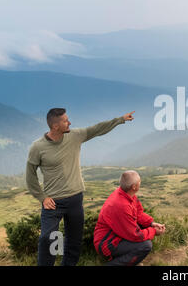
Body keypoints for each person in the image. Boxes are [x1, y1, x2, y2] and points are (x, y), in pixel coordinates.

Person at [25, 108, 135, 266]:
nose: (69, 122)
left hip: (75, 199)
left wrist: (120, 119)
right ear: (55, 126)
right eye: (65, 121)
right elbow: (30, 175)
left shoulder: (75, 136)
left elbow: (96, 129)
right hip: (53, 203)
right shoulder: (38, 147)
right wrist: (42, 197)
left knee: (74, 242)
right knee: (48, 238)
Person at [93, 170, 166, 266]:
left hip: (116, 236)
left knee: (143, 229)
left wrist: (151, 223)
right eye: (139, 181)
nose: (141, 183)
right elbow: (135, 235)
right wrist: (153, 231)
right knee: (145, 246)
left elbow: (139, 213)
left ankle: (129, 260)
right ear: (134, 187)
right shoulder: (121, 205)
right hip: (107, 244)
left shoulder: (127, 194)